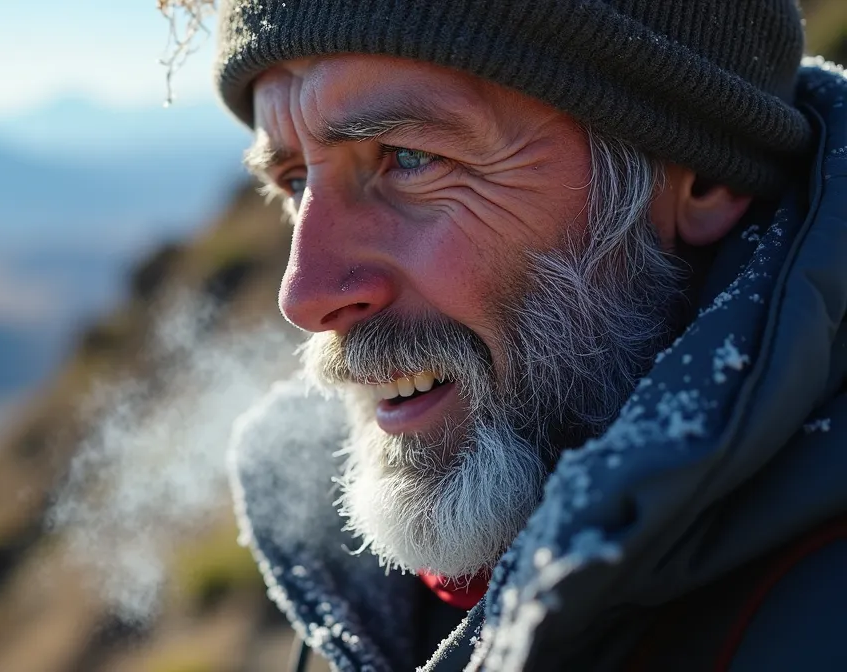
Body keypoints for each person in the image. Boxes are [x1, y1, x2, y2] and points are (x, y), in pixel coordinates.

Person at [212, 1, 847, 669]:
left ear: (702, 175)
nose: (304, 294)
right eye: (295, 180)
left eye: (408, 158)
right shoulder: (359, 600)